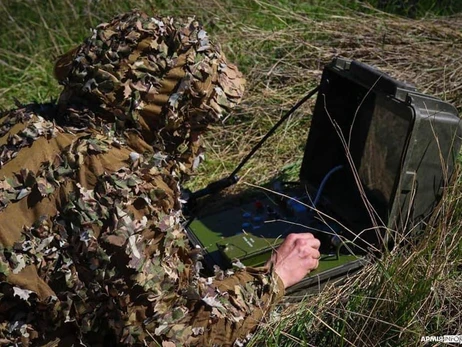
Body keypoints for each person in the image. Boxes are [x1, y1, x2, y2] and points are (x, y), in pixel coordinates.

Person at [0, 10, 320, 346]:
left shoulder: (21, 124)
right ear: (165, 115)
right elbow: (173, 335)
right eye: (195, 118)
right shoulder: (119, 184)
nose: (198, 132)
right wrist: (276, 276)